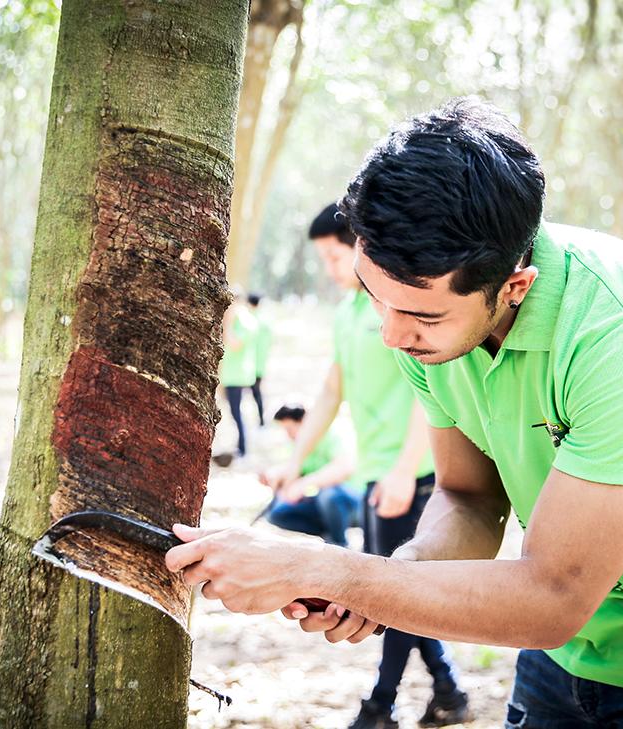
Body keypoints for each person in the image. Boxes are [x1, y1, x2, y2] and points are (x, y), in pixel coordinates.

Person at [168, 98, 623, 729]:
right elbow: (469, 498)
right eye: (379, 299)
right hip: (558, 655)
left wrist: (331, 569)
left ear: (515, 287)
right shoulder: (421, 325)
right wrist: (394, 576)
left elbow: (553, 596)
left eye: (422, 317)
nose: (392, 337)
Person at [258, 203, 470, 729]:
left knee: (393, 596)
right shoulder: (350, 314)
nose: (330, 270)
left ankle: (381, 705)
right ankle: (447, 690)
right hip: (378, 474)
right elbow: (332, 389)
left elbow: (432, 393)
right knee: (399, 595)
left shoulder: (399, 308)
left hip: (414, 476)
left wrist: (405, 471)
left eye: (334, 256)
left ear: (362, 246)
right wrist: (295, 461)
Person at [262, 404, 360, 547]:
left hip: (354, 500)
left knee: (329, 494)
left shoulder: (332, 435)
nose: (288, 435)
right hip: (321, 502)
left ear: (304, 423)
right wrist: (277, 476)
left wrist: (303, 484)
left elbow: (344, 468)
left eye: (289, 429)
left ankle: (340, 543)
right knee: (277, 513)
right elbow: (293, 470)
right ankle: (328, 535)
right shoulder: (297, 444)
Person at [218, 294, 259, 457]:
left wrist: (228, 320)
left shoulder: (246, 322)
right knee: (234, 412)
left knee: (237, 412)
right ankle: (241, 446)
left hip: (237, 375)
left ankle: (243, 449)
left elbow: (233, 344)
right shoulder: (241, 320)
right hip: (230, 374)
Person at [248, 292, 272, 427]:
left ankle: (261, 420)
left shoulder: (251, 320)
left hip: (250, 364)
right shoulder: (266, 321)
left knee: (255, 392)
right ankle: (261, 419)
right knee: (257, 392)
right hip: (261, 363)